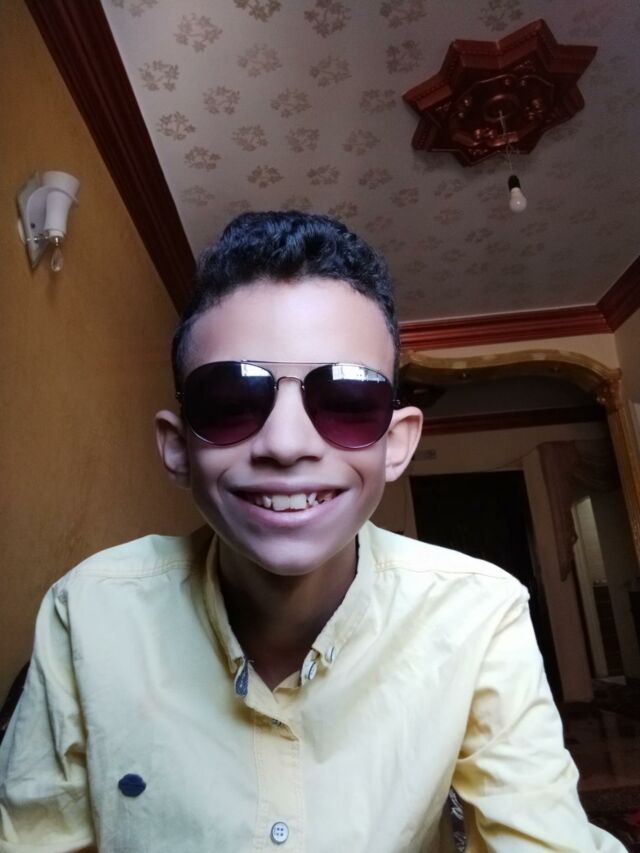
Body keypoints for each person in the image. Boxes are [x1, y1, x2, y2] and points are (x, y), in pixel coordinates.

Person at [0, 212, 624, 852]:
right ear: (177, 447)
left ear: (397, 443)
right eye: (232, 400)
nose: (286, 443)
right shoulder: (88, 613)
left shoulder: (477, 612)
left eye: (347, 402)